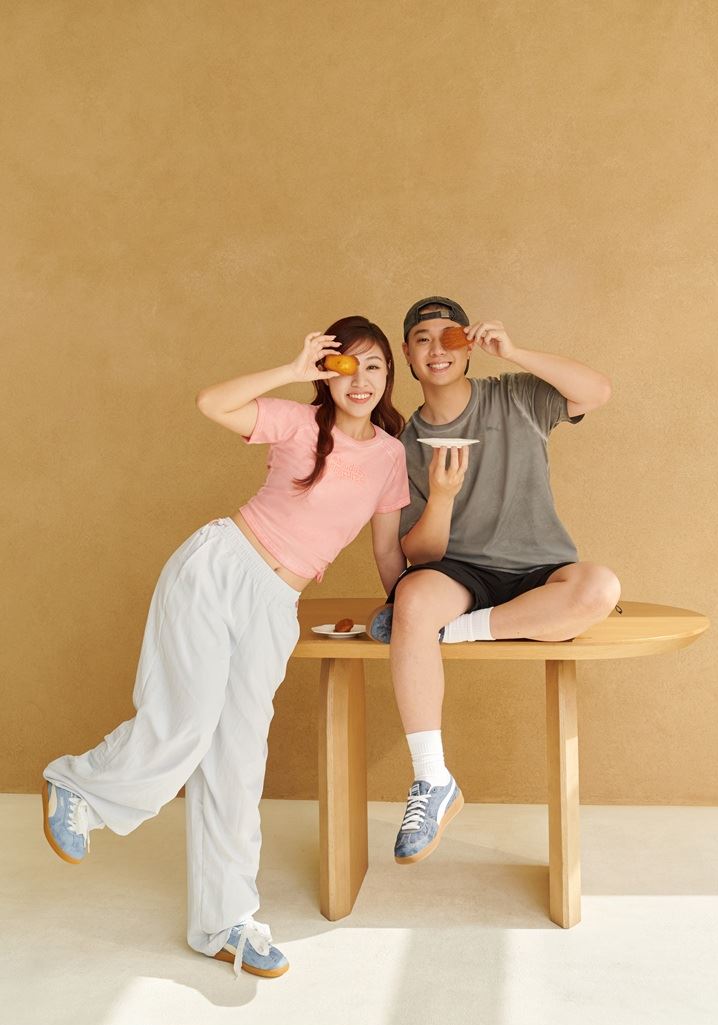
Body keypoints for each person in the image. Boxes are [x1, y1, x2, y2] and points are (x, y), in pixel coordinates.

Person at [42, 316, 409, 978]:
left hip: (274, 605)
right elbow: (212, 403)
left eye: (375, 365)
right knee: (187, 721)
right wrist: (292, 370)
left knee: (238, 758)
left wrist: (405, 606)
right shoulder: (298, 422)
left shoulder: (389, 455)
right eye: (346, 365)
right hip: (219, 567)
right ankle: (80, 787)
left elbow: (386, 549)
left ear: (389, 376)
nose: (361, 379)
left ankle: (224, 921)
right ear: (328, 375)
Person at [368, 296, 620, 865]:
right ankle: (432, 779)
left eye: (449, 337)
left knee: (600, 587)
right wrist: (443, 497)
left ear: (468, 348)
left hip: (540, 569)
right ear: (407, 354)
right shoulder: (403, 446)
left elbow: (597, 391)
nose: (437, 349)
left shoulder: (515, 395)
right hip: (461, 573)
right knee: (414, 597)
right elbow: (419, 554)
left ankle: (448, 632)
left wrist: (516, 351)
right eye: (423, 339)